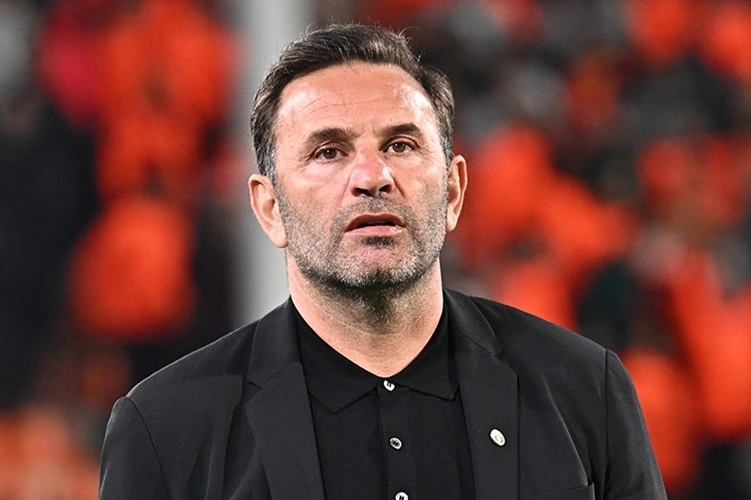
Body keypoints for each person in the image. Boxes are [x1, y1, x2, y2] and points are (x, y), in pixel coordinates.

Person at [98, 23, 666, 500]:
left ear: (453, 191)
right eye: (329, 152)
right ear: (270, 209)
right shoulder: (166, 429)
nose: (372, 177)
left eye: (401, 145)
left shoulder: (585, 389)